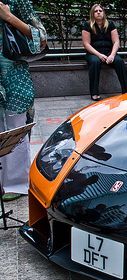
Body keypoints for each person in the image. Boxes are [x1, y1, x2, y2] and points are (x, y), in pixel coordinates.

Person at [0, 0, 46, 201]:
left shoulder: (18, 1)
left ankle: (15, 183)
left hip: (13, 78)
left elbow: (40, 37)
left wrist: (9, 17)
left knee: (14, 129)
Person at [82, 4, 127, 101]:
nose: (98, 12)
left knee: (119, 61)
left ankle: (126, 91)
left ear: (103, 13)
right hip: (93, 53)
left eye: (100, 10)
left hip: (109, 52)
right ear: (92, 13)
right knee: (95, 62)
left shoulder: (110, 24)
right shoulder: (87, 25)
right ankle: (94, 93)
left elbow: (116, 42)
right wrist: (99, 55)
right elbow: (86, 44)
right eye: (96, 11)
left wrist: (112, 55)